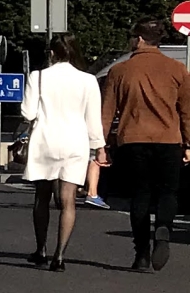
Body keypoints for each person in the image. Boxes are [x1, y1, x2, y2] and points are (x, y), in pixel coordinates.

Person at [99, 18, 190, 271]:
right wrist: (189, 143)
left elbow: (107, 112)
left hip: (133, 139)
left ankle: (141, 252)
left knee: (140, 195)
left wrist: (100, 145)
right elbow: (186, 111)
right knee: (168, 192)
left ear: (138, 39)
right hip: (169, 140)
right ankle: (164, 227)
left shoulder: (120, 71)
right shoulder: (177, 69)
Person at [21, 34, 103, 272]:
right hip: (75, 142)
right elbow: (93, 119)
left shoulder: (38, 77)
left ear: (52, 54)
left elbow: (28, 112)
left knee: (42, 198)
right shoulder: (88, 80)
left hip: (45, 140)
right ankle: (60, 255)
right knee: (68, 200)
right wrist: (99, 147)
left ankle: (41, 250)